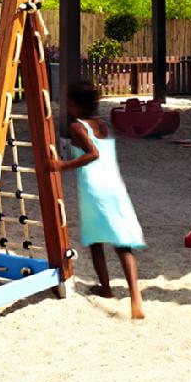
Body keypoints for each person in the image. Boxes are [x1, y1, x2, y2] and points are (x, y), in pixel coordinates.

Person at [52, 81, 145, 319]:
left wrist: (62, 165)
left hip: (94, 189)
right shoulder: (103, 125)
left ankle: (106, 288)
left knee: (96, 242)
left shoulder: (77, 127)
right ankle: (135, 297)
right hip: (115, 188)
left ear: (75, 104)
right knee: (123, 245)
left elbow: (93, 153)